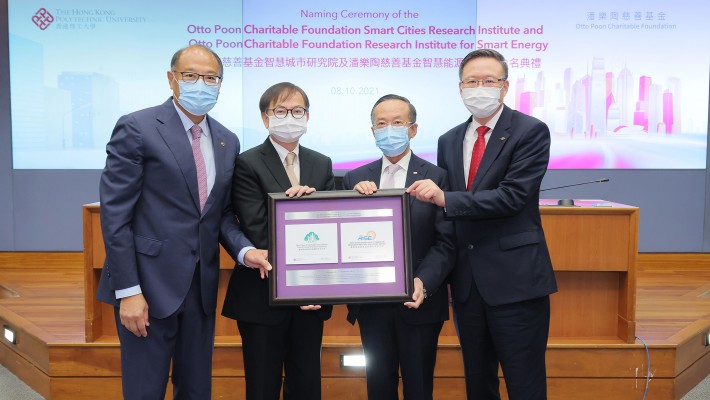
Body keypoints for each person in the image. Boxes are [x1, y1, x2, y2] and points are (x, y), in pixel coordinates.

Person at [96, 44, 272, 399]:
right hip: (147, 286)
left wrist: (245, 251)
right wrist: (128, 291)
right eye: (190, 76)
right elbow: (115, 215)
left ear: (220, 84)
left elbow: (219, 214)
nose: (201, 84)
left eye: (210, 78)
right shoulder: (138, 127)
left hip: (200, 289)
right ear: (171, 79)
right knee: (145, 389)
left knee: (195, 390)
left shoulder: (227, 139)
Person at [407, 49, 558, 400]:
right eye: (471, 81)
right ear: (460, 88)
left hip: (516, 281)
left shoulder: (530, 131)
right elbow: (451, 218)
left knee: (525, 382)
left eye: (489, 81)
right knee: (478, 382)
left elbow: (512, 197)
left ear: (505, 87)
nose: (480, 88)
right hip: (467, 283)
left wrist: (445, 198)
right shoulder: (449, 139)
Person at [221, 82, 335, 400]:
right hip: (262, 297)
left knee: (306, 385)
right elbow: (257, 228)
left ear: (308, 116)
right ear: (264, 117)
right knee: (262, 387)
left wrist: (315, 208)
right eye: (280, 111)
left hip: (311, 299)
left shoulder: (321, 163)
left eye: (297, 111)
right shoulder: (247, 162)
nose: (290, 117)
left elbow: (329, 230)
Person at [342, 94, 455, 400]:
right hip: (372, 306)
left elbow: (446, 243)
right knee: (378, 387)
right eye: (381, 124)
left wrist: (424, 282)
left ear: (413, 129)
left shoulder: (438, 176)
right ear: (373, 131)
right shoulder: (354, 179)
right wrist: (352, 204)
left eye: (397, 123)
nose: (388, 130)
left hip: (419, 302)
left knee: (419, 389)